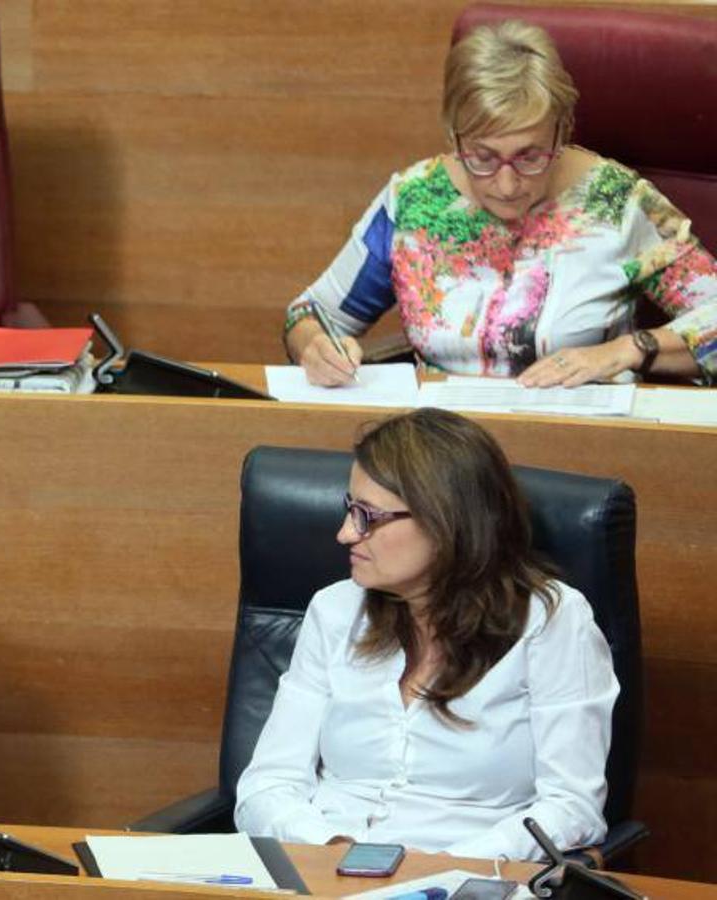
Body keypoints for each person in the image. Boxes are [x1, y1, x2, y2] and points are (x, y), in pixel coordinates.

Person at [233, 408, 618, 860]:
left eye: (368, 517)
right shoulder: (334, 610)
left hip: (468, 877)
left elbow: (572, 807)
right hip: (322, 868)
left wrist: (443, 871)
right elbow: (267, 784)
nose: (344, 534)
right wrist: (335, 850)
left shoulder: (552, 621)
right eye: (349, 510)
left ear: (446, 521)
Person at [284, 19, 717, 388]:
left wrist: (630, 349)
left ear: (562, 131)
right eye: (483, 157)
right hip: (443, 457)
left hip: (583, 449)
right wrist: (316, 348)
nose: (507, 185)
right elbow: (311, 314)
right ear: (453, 135)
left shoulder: (614, 202)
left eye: (530, 156)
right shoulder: (415, 201)